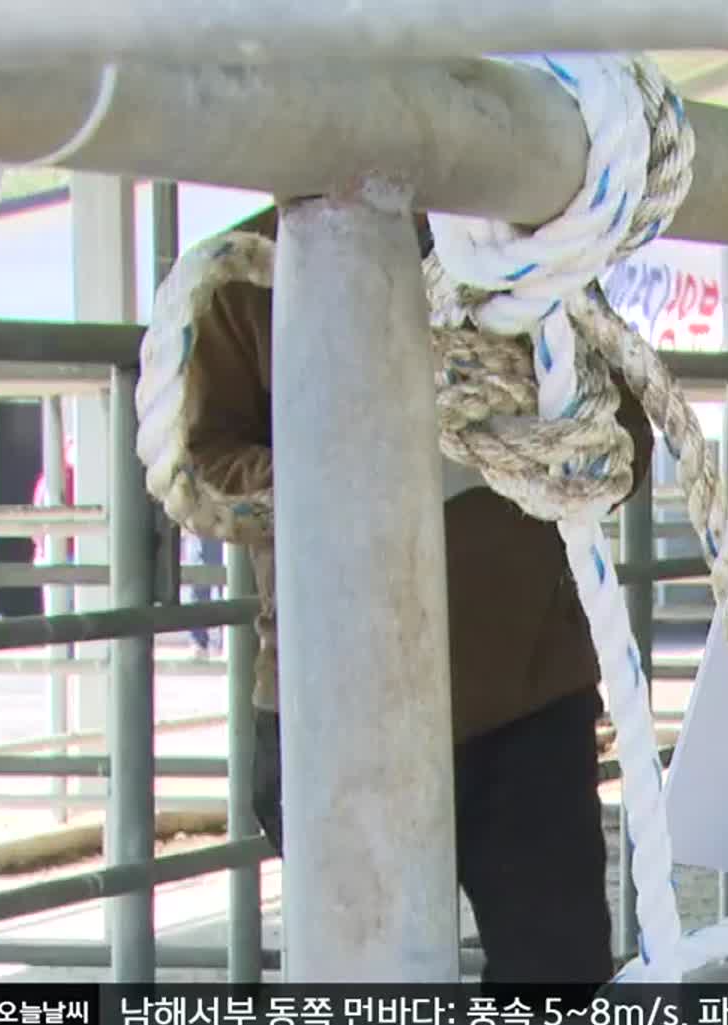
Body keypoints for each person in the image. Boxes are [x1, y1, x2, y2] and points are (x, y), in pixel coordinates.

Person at [184, 203, 652, 985]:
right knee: (372, 985)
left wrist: (514, 436)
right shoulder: (242, 277)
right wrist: (364, 459)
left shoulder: (523, 259)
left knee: (558, 978)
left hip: (529, 694)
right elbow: (201, 468)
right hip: (336, 704)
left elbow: (624, 434)